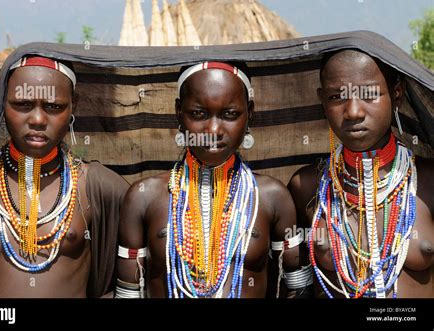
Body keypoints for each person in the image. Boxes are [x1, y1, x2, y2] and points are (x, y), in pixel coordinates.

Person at [116, 61, 312, 298]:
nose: (213, 130)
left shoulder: (272, 196)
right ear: (179, 111)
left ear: (250, 112)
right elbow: (128, 292)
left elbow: (298, 287)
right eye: (199, 114)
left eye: (230, 114)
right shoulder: (144, 196)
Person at [0, 56, 129, 297]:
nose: (38, 120)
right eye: (22, 104)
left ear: (74, 105)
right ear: (2, 103)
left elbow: (133, 278)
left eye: (54, 107)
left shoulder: (96, 185)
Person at [288, 49, 434, 298]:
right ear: (322, 100)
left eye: (369, 94)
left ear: (396, 94)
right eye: (337, 97)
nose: (353, 112)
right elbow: (295, 285)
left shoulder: (428, 181)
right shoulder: (307, 186)